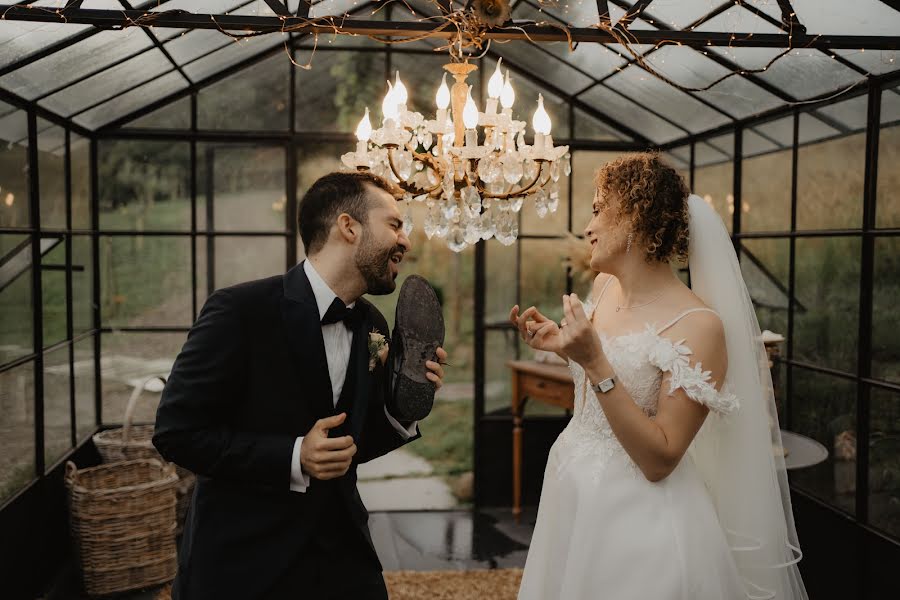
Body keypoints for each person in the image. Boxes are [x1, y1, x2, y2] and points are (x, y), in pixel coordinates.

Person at [512, 153, 808, 599]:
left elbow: (660, 459)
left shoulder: (700, 326)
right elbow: (601, 383)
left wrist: (594, 362)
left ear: (633, 217)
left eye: (597, 209)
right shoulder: (604, 289)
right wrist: (563, 345)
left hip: (641, 521)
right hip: (571, 485)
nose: (587, 227)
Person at [153, 171, 447, 600]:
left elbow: (349, 446)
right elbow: (176, 433)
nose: (406, 241)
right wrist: (293, 455)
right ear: (349, 227)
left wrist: (400, 409)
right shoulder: (240, 311)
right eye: (395, 225)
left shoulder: (372, 325)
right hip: (247, 563)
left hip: (345, 561)